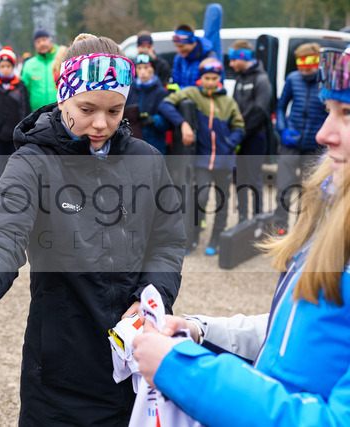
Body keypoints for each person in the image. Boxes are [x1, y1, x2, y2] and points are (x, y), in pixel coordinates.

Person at [0, 35, 185, 425]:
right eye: (86, 109)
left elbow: (168, 239)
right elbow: (3, 232)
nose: (101, 124)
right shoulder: (32, 162)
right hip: (60, 370)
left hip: (135, 364)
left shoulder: (147, 159)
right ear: (63, 96)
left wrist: (153, 294)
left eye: (114, 110)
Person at [132, 45, 350, 426]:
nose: (323, 133)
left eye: (346, 114)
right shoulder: (332, 216)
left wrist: (184, 370)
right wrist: (201, 331)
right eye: (328, 110)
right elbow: (293, 332)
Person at [160, 58, 245, 255]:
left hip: (224, 159)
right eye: (207, 78)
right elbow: (165, 104)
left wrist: (230, 143)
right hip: (203, 159)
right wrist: (183, 123)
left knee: (222, 200)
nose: (210, 82)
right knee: (201, 198)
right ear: (201, 78)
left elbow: (239, 127)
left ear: (219, 79)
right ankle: (194, 236)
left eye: (214, 78)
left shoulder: (228, 101)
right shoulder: (192, 93)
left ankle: (216, 238)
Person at [273, 42, 328, 234]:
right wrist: (283, 129)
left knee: (309, 193)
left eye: (308, 69)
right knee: (283, 188)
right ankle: (280, 228)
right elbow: (281, 107)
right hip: (291, 142)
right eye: (301, 69)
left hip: (314, 146)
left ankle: (301, 232)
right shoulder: (292, 78)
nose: (304, 73)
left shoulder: (326, 82)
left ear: (317, 64)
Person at [229, 40, 273, 222]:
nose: (231, 64)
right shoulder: (239, 78)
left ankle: (257, 218)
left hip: (255, 138)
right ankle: (242, 219)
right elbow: (233, 107)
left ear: (243, 57)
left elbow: (260, 111)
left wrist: (242, 132)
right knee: (240, 179)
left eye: (233, 60)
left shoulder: (261, 79)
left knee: (254, 180)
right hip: (241, 137)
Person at [0, 46, 31, 184]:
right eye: (2, 66)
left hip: (15, 135)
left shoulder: (20, 86)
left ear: (13, 66)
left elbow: (24, 111)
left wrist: (24, 132)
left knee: (16, 164)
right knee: (0, 165)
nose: (5, 69)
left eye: (8, 66)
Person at [125, 53, 171, 155]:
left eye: (146, 67)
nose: (142, 72)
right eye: (139, 68)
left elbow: (167, 122)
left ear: (153, 69)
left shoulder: (161, 92)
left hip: (154, 144)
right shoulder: (129, 89)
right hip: (132, 143)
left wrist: (153, 119)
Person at [20, 28, 60, 111]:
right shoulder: (29, 65)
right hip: (37, 114)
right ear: (35, 45)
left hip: (60, 112)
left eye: (44, 40)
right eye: (38, 42)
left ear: (50, 41)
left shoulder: (61, 59)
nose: (42, 43)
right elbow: (23, 92)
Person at [171, 24, 218, 89]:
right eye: (176, 46)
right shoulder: (179, 58)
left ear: (192, 42)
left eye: (181, 46)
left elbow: (212, 85)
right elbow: (175, 81)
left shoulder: (209, 57)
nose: (178, 50)